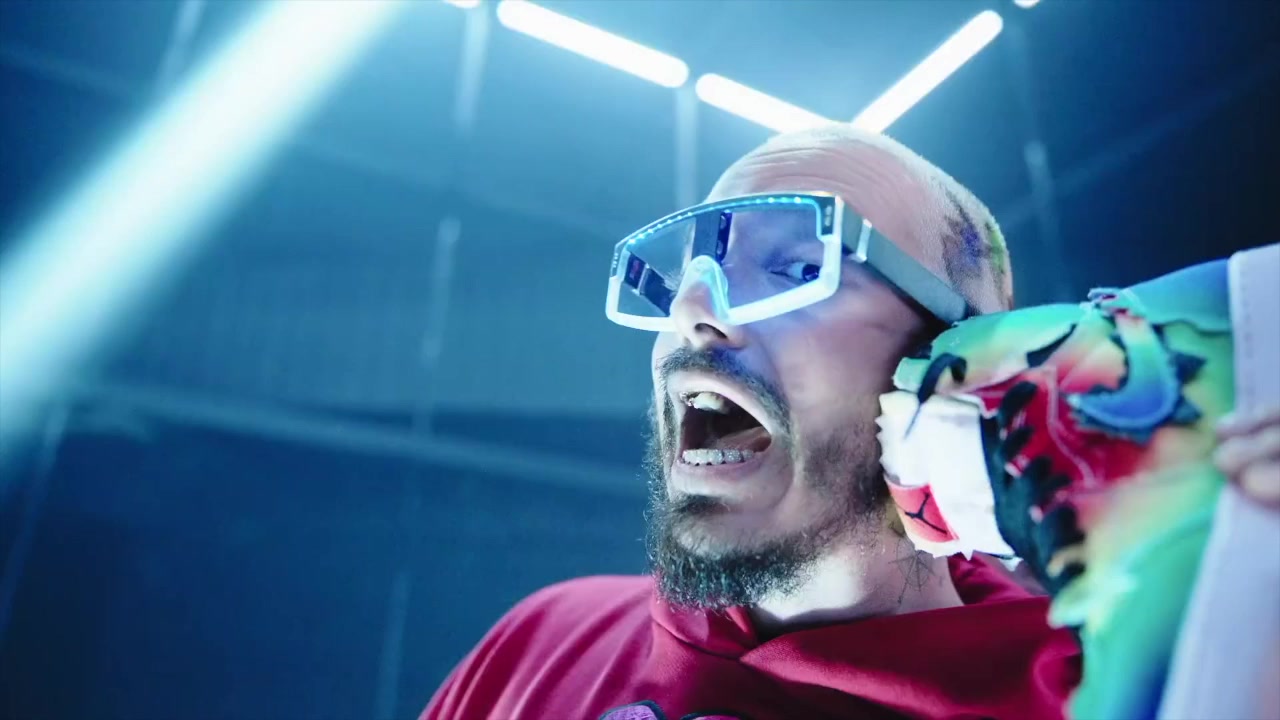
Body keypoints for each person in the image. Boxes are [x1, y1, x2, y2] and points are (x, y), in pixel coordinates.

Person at [421, 126, 1280, 720]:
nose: (690, 312)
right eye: (691, 276)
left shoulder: (1103, 692)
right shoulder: (541, 642)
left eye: (794, 266)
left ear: (960, 358)